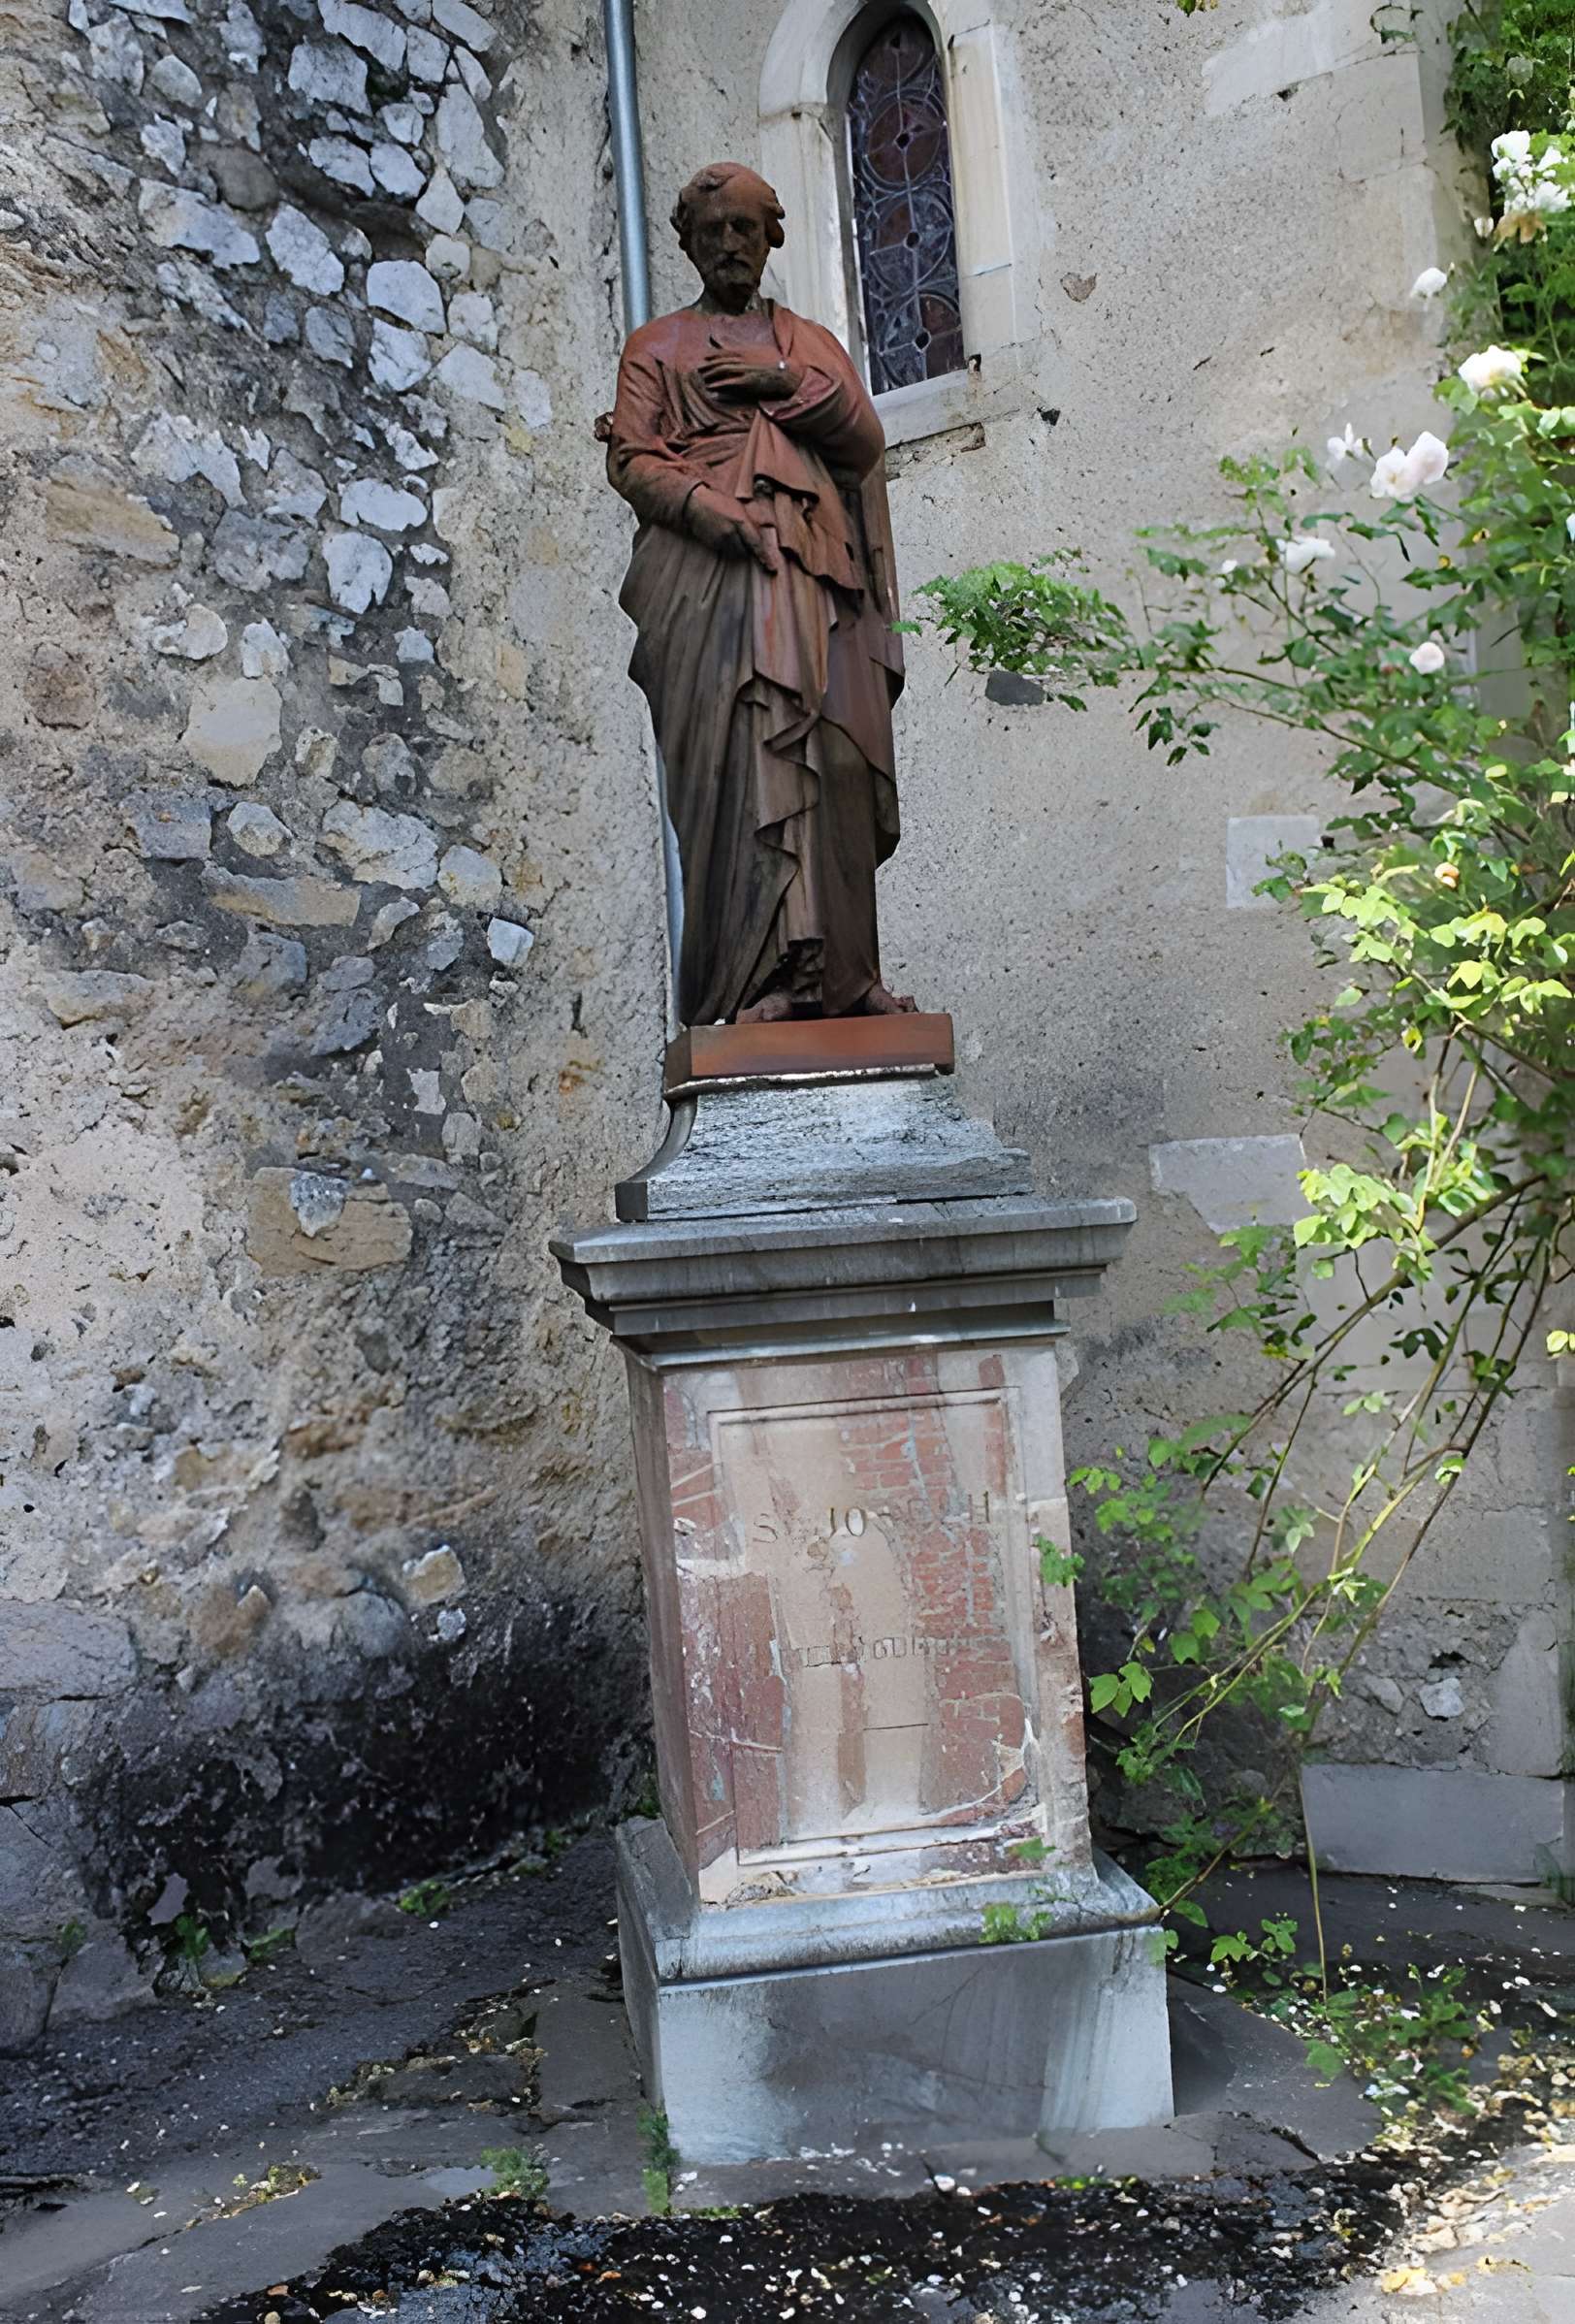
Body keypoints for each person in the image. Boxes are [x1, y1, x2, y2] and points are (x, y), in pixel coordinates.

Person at [601, 161, 915, 1026]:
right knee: (744, 766)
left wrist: (785, 387)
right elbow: (631, 457)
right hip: (710, 589)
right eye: (712, 232)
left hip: (818, 576)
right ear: (689, 244)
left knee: (837, 755)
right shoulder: (655, 348)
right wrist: (708, 511)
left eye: (744, 228)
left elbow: (863, 440)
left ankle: (845, 976)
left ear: (771, 236)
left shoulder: (807, 340)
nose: (729, 244)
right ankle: (758, 979)